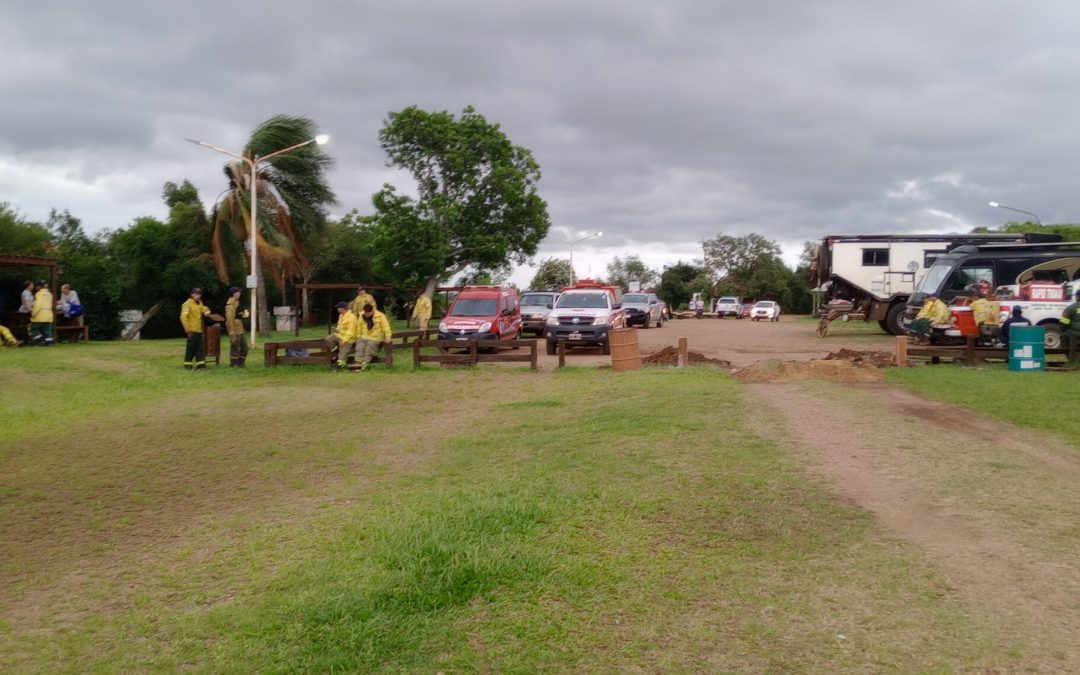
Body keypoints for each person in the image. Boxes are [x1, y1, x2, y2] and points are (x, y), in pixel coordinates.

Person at [180, 287, 212, 369]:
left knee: (200, 348)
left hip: (199, 330)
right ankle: (187, 365)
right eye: (196, 294)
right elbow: (183, 317)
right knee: (191, 348)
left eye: (199, 294)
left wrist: (207, 311)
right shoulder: (187, 304)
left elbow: (203, 308)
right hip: (191, 330)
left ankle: (200, 366)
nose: (198, 296)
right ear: (192, 294)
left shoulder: (199, 302)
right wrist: (187, 329)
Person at [354, 302, 393, 370]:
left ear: (372, 311)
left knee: (369, 348)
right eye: (365, 313)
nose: (366, 315)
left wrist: (388, 336)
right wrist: (358, 337)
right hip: (364, 336)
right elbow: (359, 327)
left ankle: (364, 364)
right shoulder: (361, 315)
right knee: (359, 347)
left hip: (375, 337)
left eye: (368, 313)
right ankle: (357, 363)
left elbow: (386, 327)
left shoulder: (381, 316)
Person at [326, 301, 359, 371]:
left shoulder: (352, 318)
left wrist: (344, 340)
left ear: (343, 309)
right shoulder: (341, 315)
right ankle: (336, 352)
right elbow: (340, 327)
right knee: (329, 339)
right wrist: (336, 330)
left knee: (343, 351)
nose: (337, 309)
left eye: (338, 308)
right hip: (339, 335)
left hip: (349, 338)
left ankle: (339, 365)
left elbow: (351, 332)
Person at [224, 287, 250, 367]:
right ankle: (233, 364)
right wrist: (232, 333)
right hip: (234, 330)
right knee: (235, 348)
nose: (240, 294)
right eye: (238, 292)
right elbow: (229, 320)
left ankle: (241, 363)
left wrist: (245, 314)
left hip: (240, 330)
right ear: (234, 294)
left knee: (245, 348)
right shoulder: (229, 306)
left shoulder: (237, 303)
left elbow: (241, 315)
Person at [30, 280, 54, 346]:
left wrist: (33, 314)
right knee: (47, 330)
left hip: (40, 315)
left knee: (34, 328)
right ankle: (49, 342)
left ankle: (40, 340)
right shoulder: (50, 294)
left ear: (39, 287)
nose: (35, 288)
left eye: (36, 286)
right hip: (49, 315)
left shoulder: (39, 294)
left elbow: (38, 305)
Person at [1061, 289, 1080, 356]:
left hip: (1074, 334)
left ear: (1077, 296)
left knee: (1063, 335)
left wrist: (1063, 329)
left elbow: (1064, 323)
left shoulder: (1070, 308)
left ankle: (1071, 358)